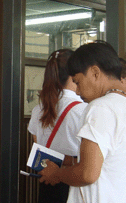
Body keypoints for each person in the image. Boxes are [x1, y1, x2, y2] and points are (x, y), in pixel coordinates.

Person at [38, 42, 126, 203]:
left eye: (78, 82)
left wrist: (56, 174)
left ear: (95, 72)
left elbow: (87, 174)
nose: (77, 91)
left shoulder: (100, 107)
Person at [28, 49, 88, 203]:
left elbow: (39, 148)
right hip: (73, 184)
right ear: (73, 74)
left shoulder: (38, 109)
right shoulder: (83, 111)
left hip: (46, 181)